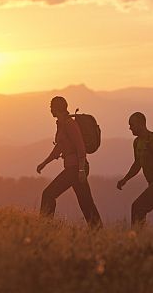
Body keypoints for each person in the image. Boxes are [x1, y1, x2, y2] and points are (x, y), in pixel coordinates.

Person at [37, 96, 102, 229]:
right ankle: (98, 229)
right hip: (74, 168)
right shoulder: (62, 125)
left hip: (76, 169)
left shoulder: (69, 124)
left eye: (51, 107)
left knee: (48, 194)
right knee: (86, 202)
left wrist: (81, 170)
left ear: (57, 108)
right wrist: (44, 163)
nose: (50, 109)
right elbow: (59, 148)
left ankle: (44, 227)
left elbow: (81, 148)